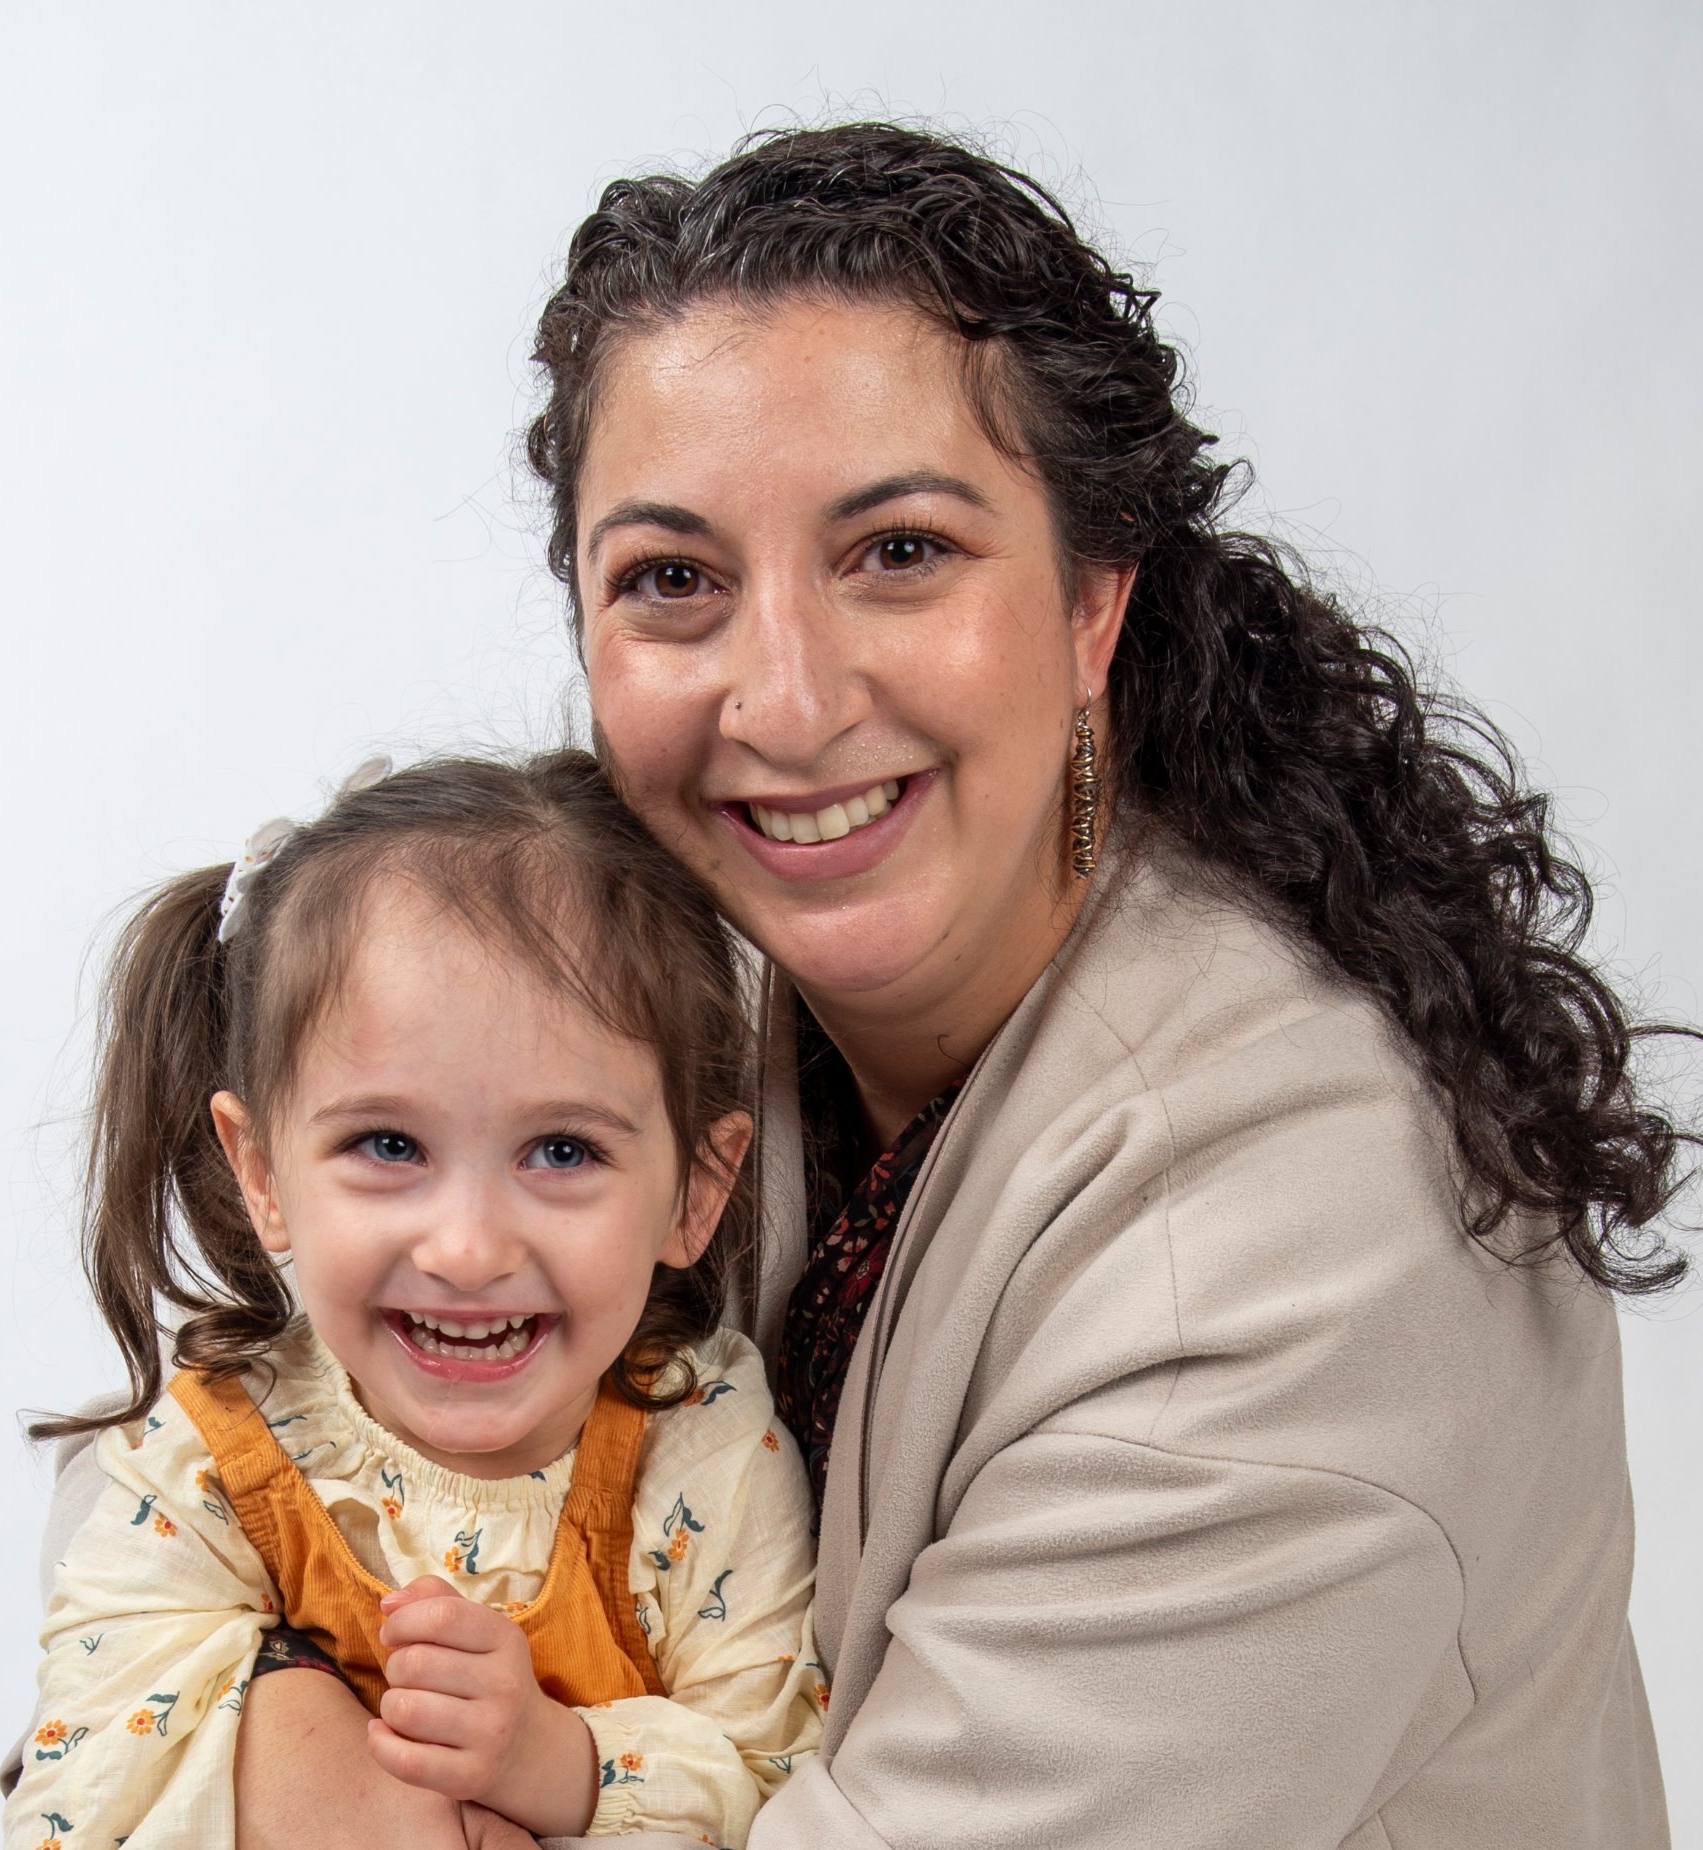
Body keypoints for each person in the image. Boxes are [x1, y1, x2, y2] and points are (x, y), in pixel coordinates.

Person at [85, 122, 1686, 1848]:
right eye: (675, 581)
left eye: (900, 552)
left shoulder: (1276, 1256)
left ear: (1093, 605)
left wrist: (307, 1754)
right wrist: (285, 1698)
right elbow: (198, 1471)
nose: (782, 700)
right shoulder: (692, 1033)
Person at [2, 753, 824, 1850]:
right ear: (261, 1173)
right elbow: (85, 1788)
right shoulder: (207, 1464)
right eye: (388, 1144)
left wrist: (556, 1762)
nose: (470, 1249)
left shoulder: (707, 1454)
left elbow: (786, 1782)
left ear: (696, 1188)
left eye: (562, 1148)